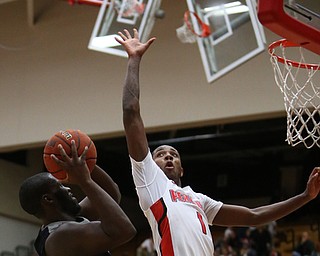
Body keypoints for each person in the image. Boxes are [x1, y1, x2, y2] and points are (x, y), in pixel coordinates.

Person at [115, 28, 320, 256]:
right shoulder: (151, 183)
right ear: (151, 164)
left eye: (173, 154)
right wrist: (134, 59)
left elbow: (255, 216)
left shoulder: (198, 200)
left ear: (182, 168)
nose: (168, 156)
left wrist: (305, 197)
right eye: (161, 154)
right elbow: (130, 112)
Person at [19, 140, 136, 256]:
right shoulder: (60, 237)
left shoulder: (71, 218)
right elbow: (124, 230)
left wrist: (83, 162)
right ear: (48, 199)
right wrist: (84, 180)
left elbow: (110, 193)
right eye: (60, 186)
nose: (68, 188)